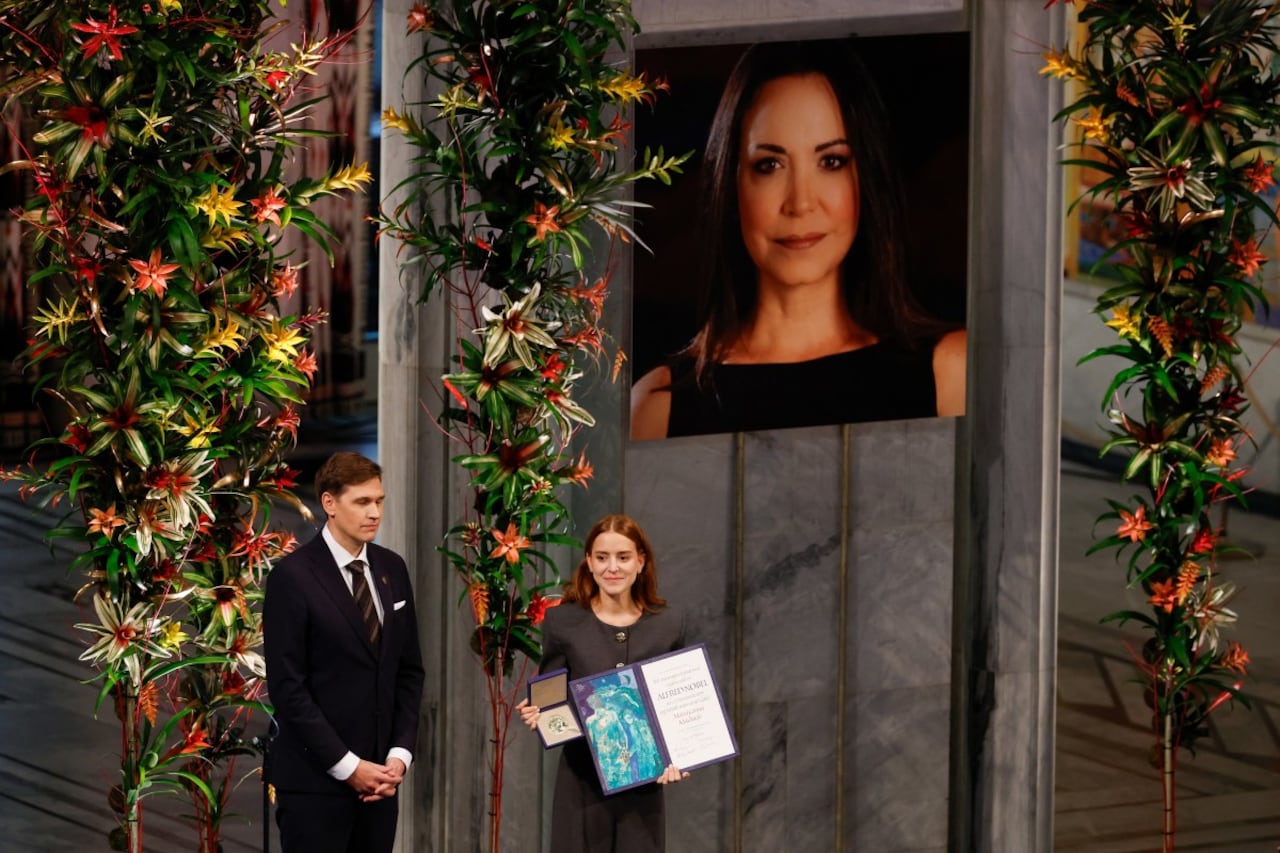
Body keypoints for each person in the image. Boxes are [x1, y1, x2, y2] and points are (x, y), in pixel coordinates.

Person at [631, 39, 967, 439]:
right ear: (731, 185)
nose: (801, 203)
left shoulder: (950, 373)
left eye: (831, 161)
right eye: (769, 165)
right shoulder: (657, 407)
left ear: (865, 178)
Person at [263, 451, 425, 853]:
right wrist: (349, 767)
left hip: (381, 785)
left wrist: (399, 756)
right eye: (362, 502)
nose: (375, 512)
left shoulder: (393, 568)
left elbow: (408, 671)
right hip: (314, 787)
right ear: (330, 504)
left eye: (380, 501)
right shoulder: (292, 577)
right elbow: (288, 689)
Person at [517, 514, 688, 852]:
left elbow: (678, 704)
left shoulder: (669, 624)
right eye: (602, 557)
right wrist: (543, 716)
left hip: (644, 787)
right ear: (589, 564)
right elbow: (551, 699)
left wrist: (680, 756)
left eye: (623, 557)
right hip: (581, 782)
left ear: (641, 562)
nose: (613, 567)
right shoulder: (563, 621)